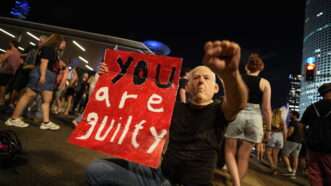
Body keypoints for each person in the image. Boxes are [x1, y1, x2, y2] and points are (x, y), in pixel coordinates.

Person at [86, 40, 248, 186]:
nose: (201, 81)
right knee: (96, 169)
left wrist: (230, 74)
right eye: (196, 78)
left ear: (216, 88)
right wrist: (108, 79)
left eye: (207, 78)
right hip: (160, 177)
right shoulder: (174, 107)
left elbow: (238, 103)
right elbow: (130, 105)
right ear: (188, 86)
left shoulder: (219, 112)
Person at [224, 53, 272, 186]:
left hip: (237, 115)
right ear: (261, 68)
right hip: (255, 118)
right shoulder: (265, 83)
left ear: (246, 67)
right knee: (244, 156)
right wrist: (268, 129)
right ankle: (237, 183)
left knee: (229, 150)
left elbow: (228, 101)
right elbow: (266, 109)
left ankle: (235, 181)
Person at [5, 34, 66, 130]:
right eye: (63, 42)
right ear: (58, 41)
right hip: (42, 73)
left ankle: (46, 122)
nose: (64, 45)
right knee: (29, 95)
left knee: (47, 99)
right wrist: (42, 76)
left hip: (48, 75)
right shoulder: (49, 48)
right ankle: (14, 118)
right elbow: (44, 62)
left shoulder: (53, 50)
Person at [301, 83, 331, 186]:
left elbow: (302, 125)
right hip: (329, 148)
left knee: (315, 173)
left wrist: (305, 138)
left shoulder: (312, 107)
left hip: (313, 146)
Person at [282, 111, 303, 179]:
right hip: (299, 143)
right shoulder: (300, 123)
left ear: (294, 115)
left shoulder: (293, 122)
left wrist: (286, 138)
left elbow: (291, 131)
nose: (290, 115)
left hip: (292, 141)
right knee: (295, 157)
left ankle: (289, 169)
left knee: (284, 155)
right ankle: (293, 173)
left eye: (291, 114)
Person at [0, 40, 22, 105]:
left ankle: (1, 100)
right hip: (12, 73)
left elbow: (2, 59)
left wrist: (2, 57)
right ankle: (3, 99)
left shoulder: (10, 51)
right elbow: (19, 63)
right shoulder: (19, 53)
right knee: (5, 85)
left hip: (4, 71)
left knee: (2, 86)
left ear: (11, 44)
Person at [266, 108, 287, 175]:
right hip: (280, 136)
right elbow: (285, 130)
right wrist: (284, 139)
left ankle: (273, 167)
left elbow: (267, 127)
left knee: (268, 153)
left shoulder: (271, 119)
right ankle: (275, 170)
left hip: (273, 135)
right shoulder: (282, 120)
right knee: (275, 155)